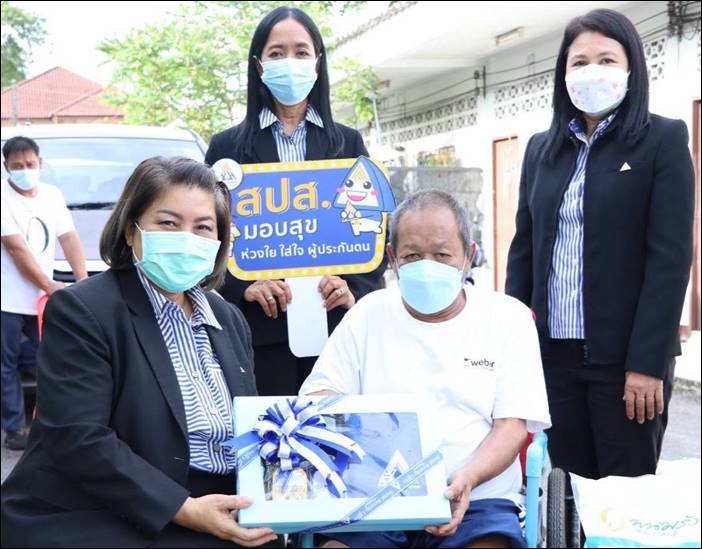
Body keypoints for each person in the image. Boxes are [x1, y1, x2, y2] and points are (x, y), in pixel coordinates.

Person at [1, 157, 279, 548]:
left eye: (203, 227)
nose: (186, 238)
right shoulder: (83, 311)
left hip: (219, 501)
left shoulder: (227, 318)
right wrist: (183, 508)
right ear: (132, 231)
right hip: (106, 509)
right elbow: (79, 439)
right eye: (167, 223)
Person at [300, 190, 551, 549]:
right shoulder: (368, 314)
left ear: (469, 257)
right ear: (392, 259)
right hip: (372, 500)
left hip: (477, 499)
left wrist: (468, 478)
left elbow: (512, 427)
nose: (427, 266)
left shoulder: (508, 318)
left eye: (442, 255)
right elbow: (320, 400)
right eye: (413, 256)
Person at [505, 9, 695, 480]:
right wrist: (508, 348)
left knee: (622, 503)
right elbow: (524, 251)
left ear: (631, 69)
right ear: (563, 74)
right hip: (552, 360)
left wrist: (647, 364)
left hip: (626, 364)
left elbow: (670, 259)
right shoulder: (540, 149)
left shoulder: (663, 140)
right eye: (579, 62)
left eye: (607, 59)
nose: (593, 71)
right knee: (564, 493)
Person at [205, 6, 386, 396]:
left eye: (301, 52)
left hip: (335, 331)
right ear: (258, 65)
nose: (290, 62)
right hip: (259, 336)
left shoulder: (348, 144)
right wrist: (242, 286)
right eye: (276, 52)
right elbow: (206, 231)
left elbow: (371, 227)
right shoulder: (226, 149)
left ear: (318, 62)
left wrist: (353, 285)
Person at [1, 136, 88, 451]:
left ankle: (52, 422)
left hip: (42, 301)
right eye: (17, 166)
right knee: (6, 364)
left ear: (40, 162)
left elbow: (69, 238)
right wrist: (50, 284)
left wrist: (83, 281)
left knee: (50, 359)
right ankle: (14, 428)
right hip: (7, 300)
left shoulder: (52, 195)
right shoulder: (2, 197)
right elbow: (16, 250)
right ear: (6, 167)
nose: (24, 170)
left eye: (29, 164)